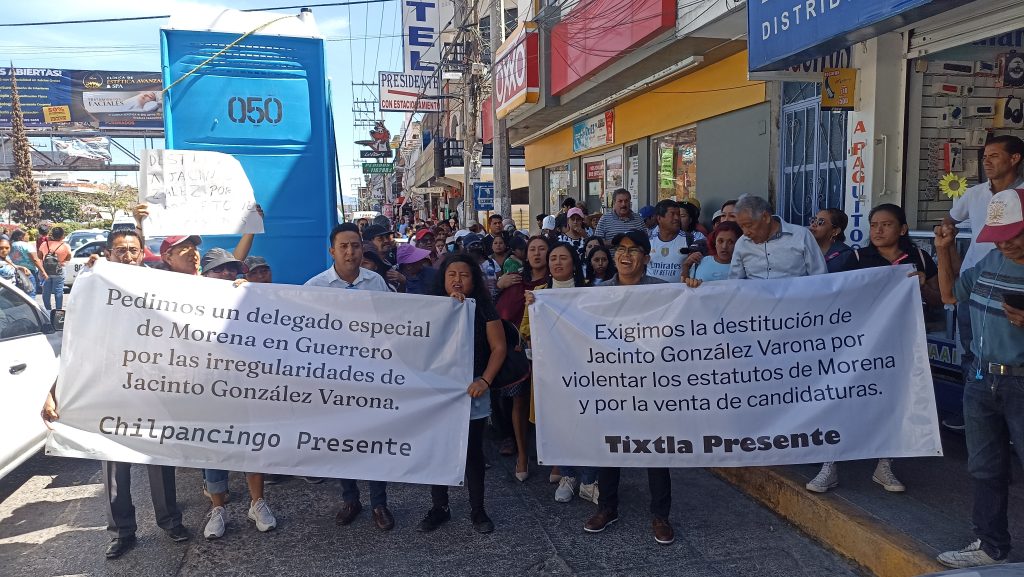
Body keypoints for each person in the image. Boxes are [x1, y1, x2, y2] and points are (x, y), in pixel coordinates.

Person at [42, 229, 191, 559]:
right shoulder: (95, 291)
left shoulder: (161, 285)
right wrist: (54, 391)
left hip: (153, 390)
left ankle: (170, 522)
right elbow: (76, 349)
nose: (128, 256)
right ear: (108, 254)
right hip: (110, 393)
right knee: (114, 468)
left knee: (160, 460)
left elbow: (197, 291)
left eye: (134, 250)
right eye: (120, 250)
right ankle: (122, 532)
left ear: (142, 253)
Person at [805, 203, 940, 495]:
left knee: (892, 401)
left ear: (902, 229)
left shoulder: (918, 258)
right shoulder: (856, 258)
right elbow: (832, 296)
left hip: (902, 342)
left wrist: (923, 286)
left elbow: (939, 299)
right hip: (859, 344)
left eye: (886, 224)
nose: (878, 230)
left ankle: (884, 464)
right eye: (874, 224)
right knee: (842, 399)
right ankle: (829, 464)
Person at [934, 188, 1024, 569]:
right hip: (981, 378)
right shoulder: (992, 259)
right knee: (985, 466)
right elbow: (950, 295)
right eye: (999, 237)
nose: (1005, 244)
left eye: (1013, 236)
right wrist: (943, 250)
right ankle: (990, 545)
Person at [584, 229, 673, 545]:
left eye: (634, 250)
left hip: (653, 385)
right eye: (620, 249)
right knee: (611, 447)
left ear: (646, 258)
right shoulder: (599, 294)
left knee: (656, 450)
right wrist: (538, 302)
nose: (625, 255)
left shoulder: (665, 292)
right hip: (613, 383)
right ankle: (607, 508)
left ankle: (660, 515)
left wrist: (692, 290)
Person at [304, 223, 394, 530]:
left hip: (371, 376)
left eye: (355, 245)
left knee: (375, 440)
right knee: (343, 440)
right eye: (343, 246)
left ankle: (379, 503)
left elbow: (392, 322)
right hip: (335, 379)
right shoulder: (315, 287)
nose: (350, 252)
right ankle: (350, 499)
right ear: (332, 251)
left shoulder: (376, 282)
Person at [418, 253, 506, 534]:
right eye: (452, 274)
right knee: (438, 450)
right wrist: (448, 310)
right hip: (438, 392)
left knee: (473, 452)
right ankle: (439, 507)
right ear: (442, 279)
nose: (457, 280)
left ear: (474, 280)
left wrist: (485, 380)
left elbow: (499, 348)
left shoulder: (484, 308)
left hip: (472, 390)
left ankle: (478, 510)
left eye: (464, 275)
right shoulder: (430, 307)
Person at [196, 249, 279, 539]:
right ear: (205, 275)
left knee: (252, 444)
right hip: (208, 389)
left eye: (231, 269)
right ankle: (218, 509)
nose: (226, 274)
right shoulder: (187, 300)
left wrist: (252, 295)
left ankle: (258, 503)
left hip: (247, 387)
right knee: (214, 449)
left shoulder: (248, 296)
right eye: (219, 270)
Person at [944, 136, 1024, 411]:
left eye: (994, 155)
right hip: (975, 282)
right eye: (985, 156)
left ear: (1014, 158)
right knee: (971, 350)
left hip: (1016, 283)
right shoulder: (975, 193)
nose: (986, 162)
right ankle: (973, 410)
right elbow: (950, 219)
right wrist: (946, 237)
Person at [521, 243, 597, 504]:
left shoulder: (589, 292)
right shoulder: (539, 294)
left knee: (587, 424)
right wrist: (532, 311)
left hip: (585, 371)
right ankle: (568, 475)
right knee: (558, 424)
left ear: (574, 263)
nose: (557, 262)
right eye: (553, 258)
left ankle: (589, 480)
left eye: (563, 258)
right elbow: (525, 330)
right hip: (551, 373)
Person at [729, 195, 826, 279]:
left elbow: (820, 277)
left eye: (749, 225)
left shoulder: (801, 235)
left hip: (795, 294)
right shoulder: (742, 243)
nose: (745, 232)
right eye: (741, 227)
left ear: (766, 217)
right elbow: (735, 283)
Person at [647, 199, 695, 283]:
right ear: (659, 218)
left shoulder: (689, 239)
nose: (677, 218)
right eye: (672, 214)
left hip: (679, 290)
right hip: (652, 290)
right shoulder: (648, 240)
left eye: (678, 214)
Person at [808, 208, 858, 273]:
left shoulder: (846, 255)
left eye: (820, 222)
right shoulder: (804, 249)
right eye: (813, 220)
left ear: (835, 231)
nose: (813, 225)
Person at [38, 226, 71, 318]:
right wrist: (61, 261)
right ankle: (58, 312)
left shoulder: (44, 244)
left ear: (52, 235)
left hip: (45, 272)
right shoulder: (65, 246)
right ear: (62, 236)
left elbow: (39, 256)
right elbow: (68, 257)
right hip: (59, 271)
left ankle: (48, 311)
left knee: (46, 292)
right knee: (58, 291)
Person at [8, 229, 46, 296]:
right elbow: (35, 259)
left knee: (18, 294)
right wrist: (43, 271)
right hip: (28, 272)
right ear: (21, 237)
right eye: (27, 235)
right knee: (31, 292)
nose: (28, 236)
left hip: (14, 271)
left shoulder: (10, 245)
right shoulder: (27, 245)